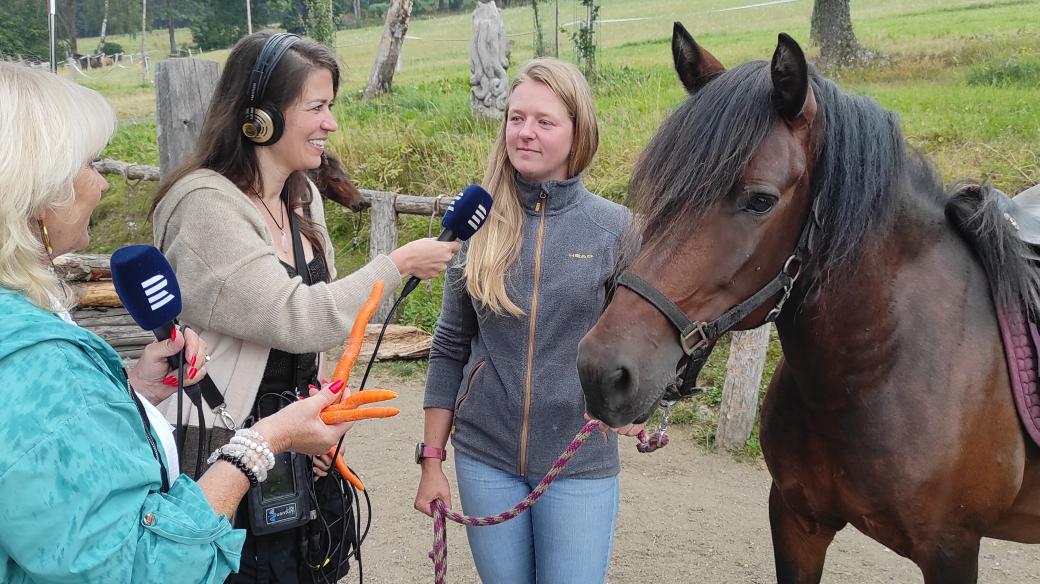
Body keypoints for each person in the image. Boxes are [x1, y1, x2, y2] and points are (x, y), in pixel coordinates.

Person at [0, 61, 353, 584]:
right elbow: (143, 564)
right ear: (41, 188)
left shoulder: (28, 342)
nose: (100, 184)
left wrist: (133, 391)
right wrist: (263, 443)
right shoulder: (35, 361)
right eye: (90, 163)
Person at [151, 32, 459, 583]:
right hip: (226, 462)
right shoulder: (204, 207)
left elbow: (323, 337)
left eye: (331, 107)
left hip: (302, 456)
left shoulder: (302, 195)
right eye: (316, 108)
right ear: (259, 119)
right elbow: (299, 316)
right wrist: (397, 266)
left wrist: (325, 420)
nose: (330, 123)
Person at [414, 58, 643, 584]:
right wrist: (431, 460)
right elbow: (450, 346)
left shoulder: (617, 230)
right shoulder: (476, 226)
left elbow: (643, 342)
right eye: (517, 118)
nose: (526, 132)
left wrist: (639, 405)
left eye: (544, 121)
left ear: (577, 131)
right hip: (485, 457)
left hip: (579, 460)